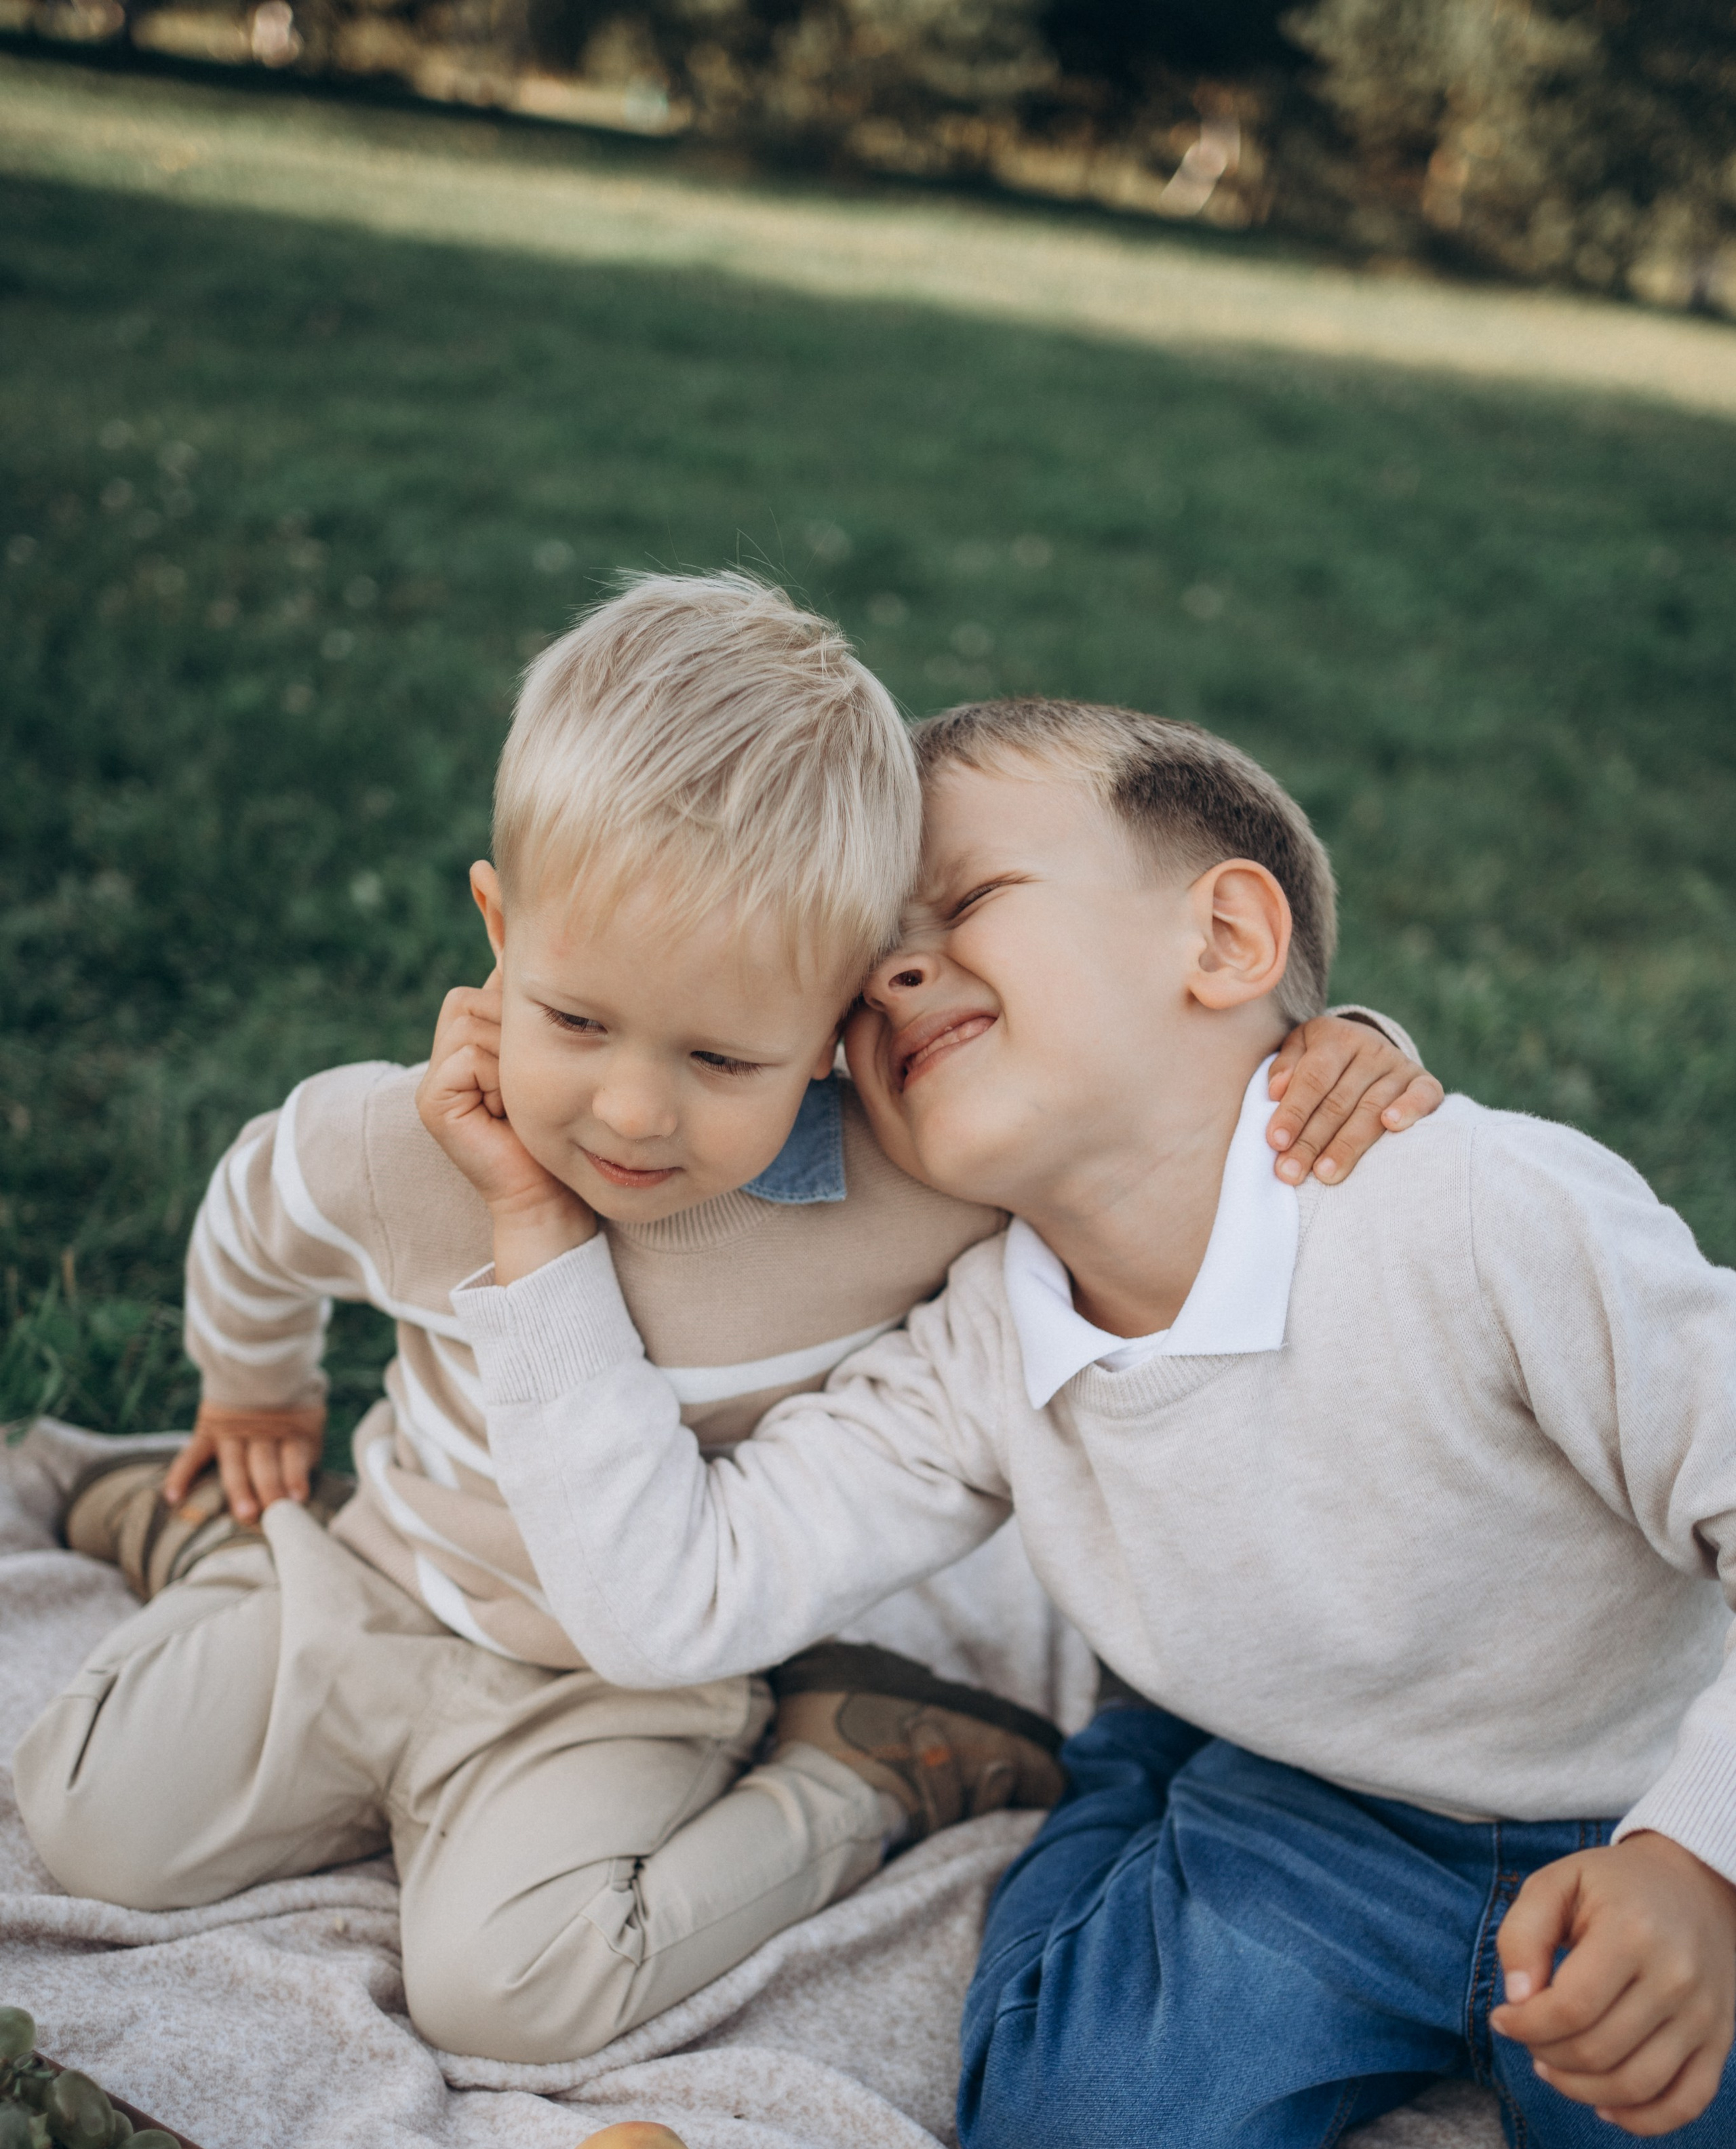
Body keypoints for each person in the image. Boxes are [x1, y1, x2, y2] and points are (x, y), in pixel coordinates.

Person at [424, 693, 1736, 2149]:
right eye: (864, 962)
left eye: (960, 902)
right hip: (1317, 1810)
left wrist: (1698, 1855)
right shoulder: (981, 1343)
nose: (896, 975)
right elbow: (671, 1601)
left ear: (1225, 936)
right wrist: (537, 1238)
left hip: (1652, 1793)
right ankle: (1136, 1754)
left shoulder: (1476, 1211)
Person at [14, 583, 1428, 2067]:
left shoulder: (906, 1185)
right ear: (501, 927)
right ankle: (204, 1531)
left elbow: (1157, 1138)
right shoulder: (405, 1142)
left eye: (719, 1056)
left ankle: (863, 1769)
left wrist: (1335, 1049)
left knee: (512, 1999)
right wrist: (254, 1394)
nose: (631, 1111)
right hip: (378, 1578)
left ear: (833, 1029)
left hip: (637, 1675)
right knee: (89, 1817)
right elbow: (256, 1211)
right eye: (574, 1021)